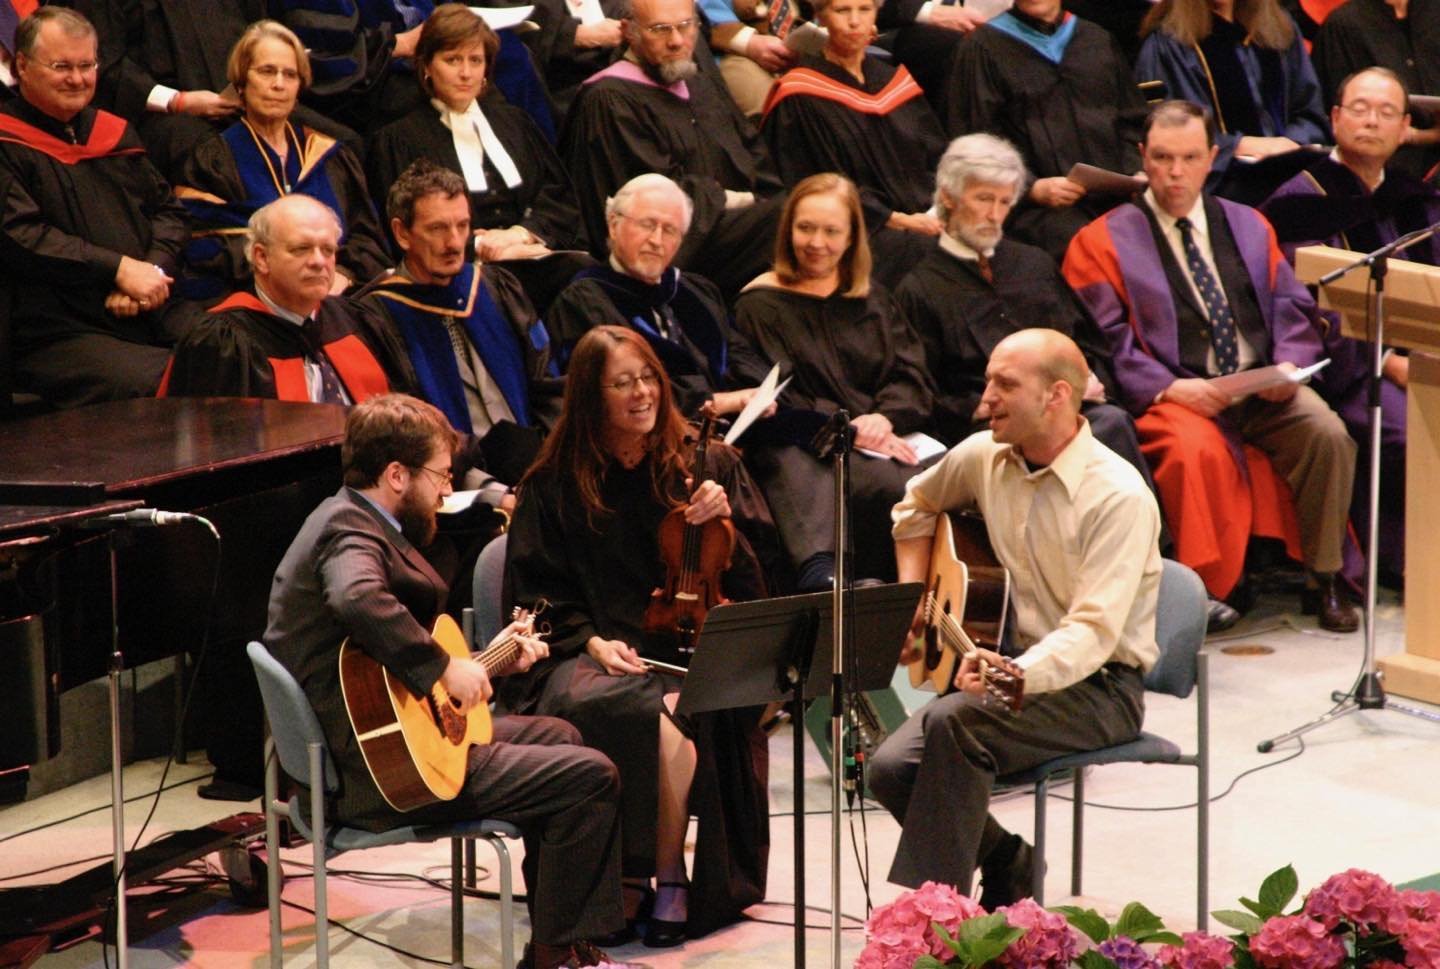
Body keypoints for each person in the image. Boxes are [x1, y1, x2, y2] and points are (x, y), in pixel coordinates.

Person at [264, 392, 629, 969]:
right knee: (591, 777)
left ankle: (560, 938)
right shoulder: (347, 530)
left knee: (563, 735)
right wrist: (442, 667)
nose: (445, 490)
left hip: (382, 743)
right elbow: (357, 597)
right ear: (395, 474)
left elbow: (380, 663)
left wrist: (488, 661)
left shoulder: (349, 517)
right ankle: (555, 958)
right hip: (377, 775)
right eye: (440, 475)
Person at [867, 327, 1161, 902]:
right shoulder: (984, 455)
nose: (985, 399)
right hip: (1014, 669)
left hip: (1101, 690)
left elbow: (1092, 632)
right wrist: (912, 605)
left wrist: (1017, 673)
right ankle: (1008, 861)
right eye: (987, 382)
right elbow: (915, 505)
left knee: (953, 725)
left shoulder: (1117, 497)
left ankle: (938, 922)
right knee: (888, 768)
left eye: (1005, 384)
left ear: (1055, 396)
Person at [503, 325, 773, 947]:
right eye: (621, 383)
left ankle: (666, 876)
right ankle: (635, 878)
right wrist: (590, 641)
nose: (641, 392)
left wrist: (724, 520)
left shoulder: (705, 464)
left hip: (688, 642)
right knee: (617, 706)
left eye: (648, 377)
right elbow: (535, 590)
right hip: (589, 648)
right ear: (590, 397)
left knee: (678, 707)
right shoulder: (555, 482)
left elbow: (758, 576)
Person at [1063, 100, 1359, 632]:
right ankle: (1207, 590)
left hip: (1260, 387)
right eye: (1162, 158)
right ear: (1142, 158)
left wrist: (1288, 366)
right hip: (1176, 394)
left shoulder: (1248, 225)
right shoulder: (1100, 239)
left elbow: (1291, 304)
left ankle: (1326, 576)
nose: (1175, 172)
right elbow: (1105, 339)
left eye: (1189, 158)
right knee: (1194, 452)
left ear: (1211, 159)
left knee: (1327, 434)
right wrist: (1170, 388)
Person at [895, 134, 1157, 497]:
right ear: (948, 198)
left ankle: (1147, 551)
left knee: (1111, 423)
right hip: (991, 429)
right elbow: (922, 391)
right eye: (983, 198)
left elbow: (1090, 346)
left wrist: (1089, 381)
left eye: (1004, 201)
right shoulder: (919, 287)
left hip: (1069, 412)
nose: (994, 213)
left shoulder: (1034, 264)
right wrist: (982, 406)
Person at [1261, 67, 1427, 584]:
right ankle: (1406, 567)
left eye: (1385, 112)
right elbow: (1308, 307)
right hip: (1351, 369)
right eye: (1359, 108)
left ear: (1404, 128)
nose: (1371, 122)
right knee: (1410, 430)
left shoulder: (1414, 199)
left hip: (1419, 358)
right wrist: (1386, 359)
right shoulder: (1298, 203)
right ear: (1334, 118)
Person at [734, 173, 937, 588]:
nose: (816, 243)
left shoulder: (872, 298)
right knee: (884, 485)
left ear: (851, 238)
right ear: (787, 229)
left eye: (831, 231)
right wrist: (851, 428)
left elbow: (910, 372)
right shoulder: (760, 304)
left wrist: (884, 417)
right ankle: (867, 595)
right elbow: (773, 397)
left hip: (889, 434)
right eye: (805, 228)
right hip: (816, 444)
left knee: (942, 473)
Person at [0, 6, 195, 408]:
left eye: (86, 65)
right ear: (22, 64)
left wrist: (151, 272)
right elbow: (21, 236)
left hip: (146, 309)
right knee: (165, 378)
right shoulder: (6, 141)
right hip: (56, 329)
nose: (77, 79)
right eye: (61, 66)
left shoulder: (115, 132)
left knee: (230, 348)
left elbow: (170, 213)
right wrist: (119, 270)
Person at [354, 159, 561, 493]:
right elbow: (404, 431)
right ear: (402, 233)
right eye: (437, 228)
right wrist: (489, 491)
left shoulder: (496, 287)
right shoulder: (377, 316)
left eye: (462, 226)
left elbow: (549, 384)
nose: (454, 243)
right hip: (449, 494)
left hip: (539, 471)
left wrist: (550, 460)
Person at [366, 4, 590, 311]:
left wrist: (521, 234)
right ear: (426, 66)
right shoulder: (398, 139)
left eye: (476, 60)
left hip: (530, 254)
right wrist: (481, 246)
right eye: (452, 60)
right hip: (456, 275)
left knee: (584, 280)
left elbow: (558, 197)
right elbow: (405, 228)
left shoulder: (515, 122)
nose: (465, 73)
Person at [558, 0, 784, 299]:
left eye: (685, 27)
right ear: (629, 32)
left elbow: (755, 155)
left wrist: (766, 199)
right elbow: (655, 199)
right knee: (790, 220)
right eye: (660, 29)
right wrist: (746, 202)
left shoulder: (699, 85)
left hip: (734, 229)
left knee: (830, 206)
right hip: (680, 245)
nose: (676, 41)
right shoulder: (610, 99)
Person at [173, 20, 389, 304]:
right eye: (266, 71)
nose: (278, 84)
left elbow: (367, 239)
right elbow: (204, 248)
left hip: (339, 304)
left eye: (290, 74)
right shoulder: (214, 160)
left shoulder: (331, 156)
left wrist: (343, 274)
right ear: (241, 82)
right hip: (256, 308)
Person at [545, 173, 771, 418]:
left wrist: (757, 393)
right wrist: (718, 402)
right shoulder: (584, 300)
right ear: (613, 224)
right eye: (647, 224)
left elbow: (741, 354)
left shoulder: (697, 291)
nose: (656, 240)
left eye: (670, 230)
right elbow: (611, 396)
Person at [945, 0, 1150, 262]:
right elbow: (974, 144)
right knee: (1085, 245)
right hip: (1035, 212)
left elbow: (1132, 121)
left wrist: (1134, 172)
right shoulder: (983, 48)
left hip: (1116, 195)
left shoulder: (1097, 40)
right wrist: (1032, 188)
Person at [760, 0, 946, 287]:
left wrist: (938, 211)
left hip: (927, 220)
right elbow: (813, 182)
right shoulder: (800, 94)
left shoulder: (894, 80)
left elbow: (936, 156)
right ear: (821, 17)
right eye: (842, 11)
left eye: (864, 9)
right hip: (858, 234)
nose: (855, 21)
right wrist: (895, 219)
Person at [159, 194, 393, 402]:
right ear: (261, 257)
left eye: (328, 250)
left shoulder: (358, 321)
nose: (318, 262)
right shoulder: (223, 342)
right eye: (301, 248)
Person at [1136, 0, 1330, 193]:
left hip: (1290, 180)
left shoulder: (1280, 29)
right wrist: (1239, 145)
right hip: (1220, 190)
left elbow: (1309, 111)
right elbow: (1170, 134)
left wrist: (1291, 146)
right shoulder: (1167, 44)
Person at [1309, 0, 1440, 180]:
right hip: (1381, 170)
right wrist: (1421, 136)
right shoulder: (1344, 25)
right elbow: (1337, 121)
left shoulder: (1433, 14)